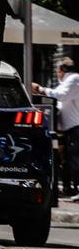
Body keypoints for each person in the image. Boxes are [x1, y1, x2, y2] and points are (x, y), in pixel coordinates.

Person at [32, 57, 79, 199]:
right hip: (69, 128)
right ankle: (71, 187)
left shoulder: (73, 79)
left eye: (58, 71)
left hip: (75, 127)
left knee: (76, 158)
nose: (57, 74)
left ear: (62, 70)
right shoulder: (68, 81)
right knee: (70, 159)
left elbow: (61, 95)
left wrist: (41, 89)